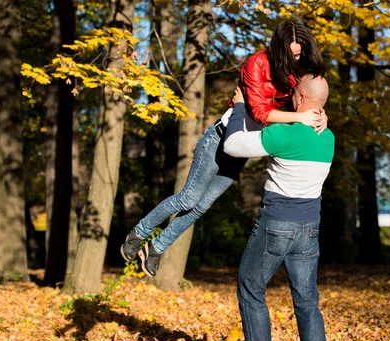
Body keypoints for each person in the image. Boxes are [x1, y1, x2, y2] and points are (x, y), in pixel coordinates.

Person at [120, 21, 328, 276]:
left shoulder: (294, 71)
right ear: (278, 48)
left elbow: (307, 96)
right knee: (189, 197)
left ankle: (156, 247)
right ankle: (138, 233)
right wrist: (298, 118)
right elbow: (260, 113)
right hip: (219, 139)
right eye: (292, 53)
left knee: (202, 206)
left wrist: (319, 114)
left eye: (299, 54)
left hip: (241, 146)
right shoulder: (257, 64)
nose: (296, 59)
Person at [224, 75, 334, 341]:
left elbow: (233, 146)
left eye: (293, 94)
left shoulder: (285, 135)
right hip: (309, 230)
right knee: (307, 304)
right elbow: (315, 116)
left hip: (276, 226)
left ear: (300, 99)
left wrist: (239, 106)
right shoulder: (328, 138)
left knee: (250, 286)